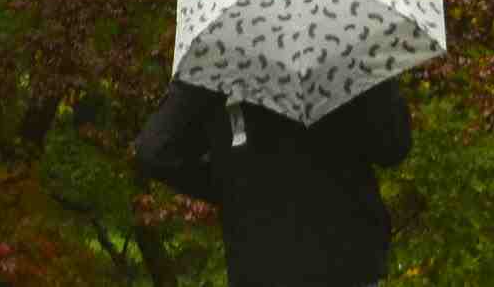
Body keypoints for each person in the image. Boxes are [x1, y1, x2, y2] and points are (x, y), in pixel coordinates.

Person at [132, 76, 413, 287]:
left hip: (262, 262)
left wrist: (236, 187)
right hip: (348, 259)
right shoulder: (344, 36)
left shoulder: (219, 50)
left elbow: (155, 150)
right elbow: (393, 146)